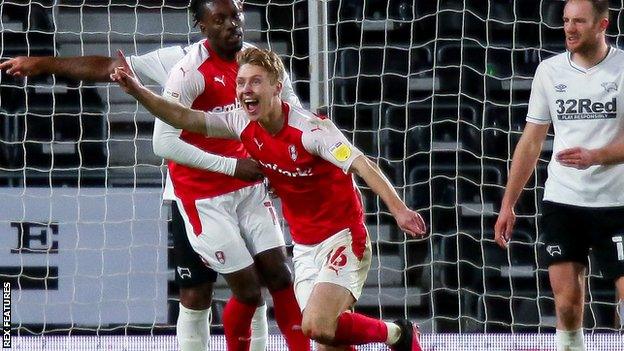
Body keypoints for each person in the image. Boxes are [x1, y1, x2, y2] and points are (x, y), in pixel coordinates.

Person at [0, 1, 304, 350]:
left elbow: (289, 113)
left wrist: (285, 166)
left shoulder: (259, 63)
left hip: (248, 188)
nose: (232, 24)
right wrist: (41, 64)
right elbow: (111, 68)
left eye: (236, 15)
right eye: (219, 19)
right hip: (196, 194)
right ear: (202, 26)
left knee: (277, 277)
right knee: (197, 293)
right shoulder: (181, 65)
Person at [111, 46, 427, 351]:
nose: (246, 89)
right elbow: (183, 118)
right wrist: (138, 90)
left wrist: (399, 211)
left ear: (277, 88)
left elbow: (362, 164)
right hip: (305, 249)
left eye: (256, 81)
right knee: (329, 340)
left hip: (342, 239)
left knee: (316, 325)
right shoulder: (241, 123)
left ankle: (398, 334)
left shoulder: (311, 131)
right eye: (241, 82)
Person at [494, 1, 624, 350]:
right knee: (566, 306)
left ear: (602, 25)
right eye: (566, 20)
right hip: (564, 201)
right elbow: (531, 141)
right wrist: (508, 204)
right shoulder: (549, 72)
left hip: (618, 203)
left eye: (579, 21)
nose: (569, 28)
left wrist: (596, 156)